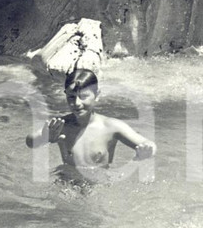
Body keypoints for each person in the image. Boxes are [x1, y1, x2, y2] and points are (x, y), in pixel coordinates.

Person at [26, 68, 156, 174]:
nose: (76, 103)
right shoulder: (62, 125)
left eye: (83, 96)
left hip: (97, 186)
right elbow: (30, 141)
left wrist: (146, 151)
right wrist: (45, 137)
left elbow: (148, 144)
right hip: (65, 184)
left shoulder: (111, 127)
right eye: (71, 97)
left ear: (97, 95)